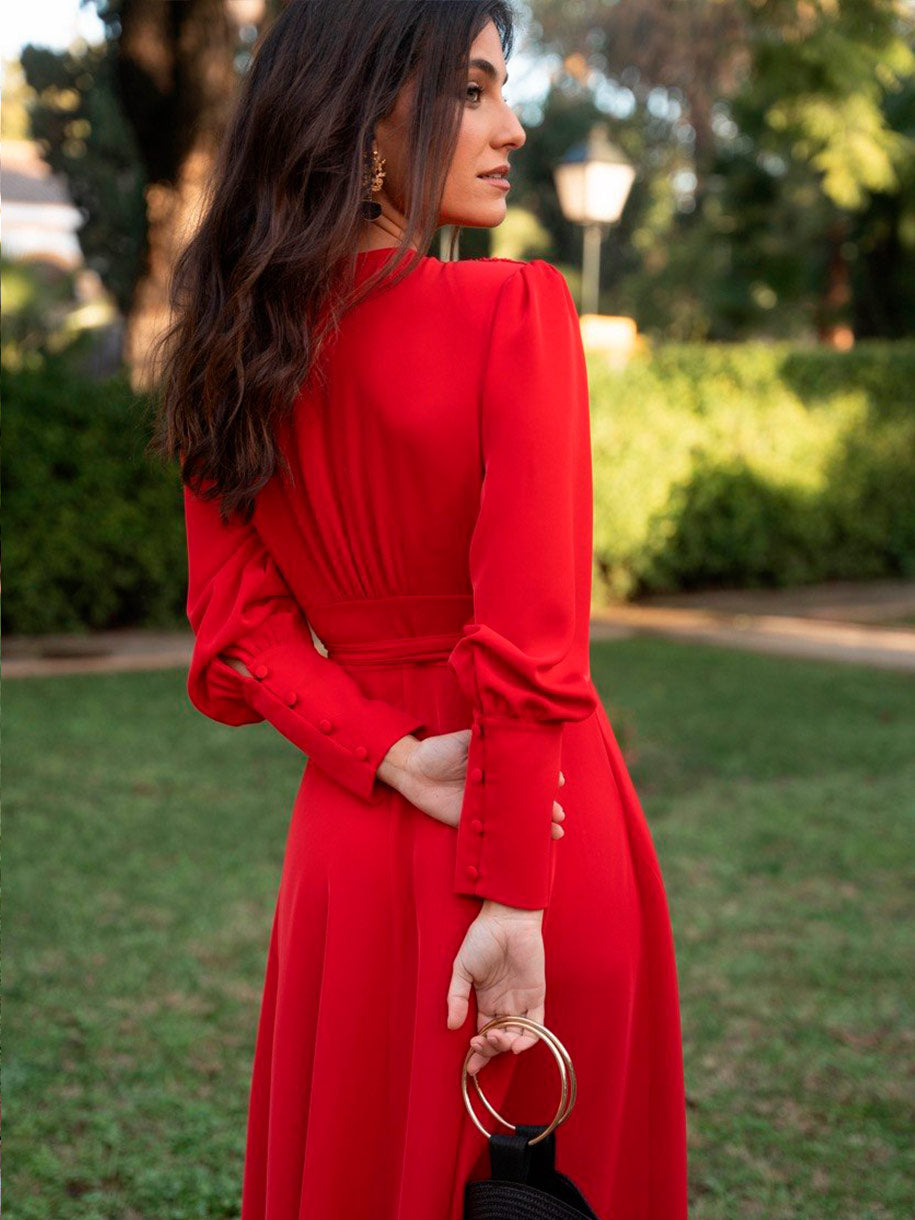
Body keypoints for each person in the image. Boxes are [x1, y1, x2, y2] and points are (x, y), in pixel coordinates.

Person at [149, 1, 688, 1217]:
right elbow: (535, 636)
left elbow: (237, 633)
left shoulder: (226, 349)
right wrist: (514, 895)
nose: (513, 126)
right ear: (366, 115)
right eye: (474, 89)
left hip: (358, 828)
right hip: (537, 825)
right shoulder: (513, 312)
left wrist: (388, 754)